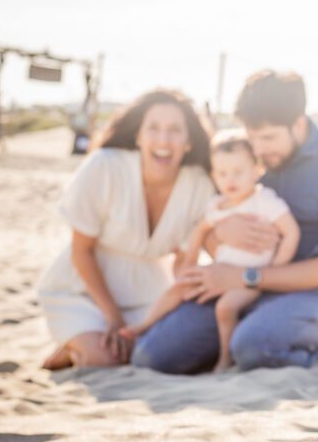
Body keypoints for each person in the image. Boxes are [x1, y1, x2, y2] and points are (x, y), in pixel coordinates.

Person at [131, 70, 318, 373]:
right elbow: (207, 221)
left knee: (253, 346)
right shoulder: (244, 155)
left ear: (299, 123)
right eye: (252, 137)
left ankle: (279, 347)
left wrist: (246, 276)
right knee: (152, 357)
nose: (258, 150)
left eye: (269, 137)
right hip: (235, 288)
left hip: (315, 295)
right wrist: (219, 232)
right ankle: (234, 343)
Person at [37, 89, 214, 369]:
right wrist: (113, 316)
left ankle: (78, 347)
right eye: (153, 128)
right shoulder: (105, 165)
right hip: (83, 289)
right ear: (138, 135)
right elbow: (81, 251)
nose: (163, 140)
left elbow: (184, 260)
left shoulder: (199, 184)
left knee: (163, 352)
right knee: (104, 358)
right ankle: (73, 347)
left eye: (175, 130)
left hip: (151, 293)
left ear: (189, 140)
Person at [121, 132, 300, 372]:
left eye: (238, 172)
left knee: (225, 308)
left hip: (249, 280)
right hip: (217, 272)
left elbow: (291, 232)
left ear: (257, 171)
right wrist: (191, 262)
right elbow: (200, 231)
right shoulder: (217, 205)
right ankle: (144, 325)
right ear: (214, 176)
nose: (230, 180)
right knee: (178, 288)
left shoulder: (264, 201)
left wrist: (272, 272)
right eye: (223, 174)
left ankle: (225, 358)